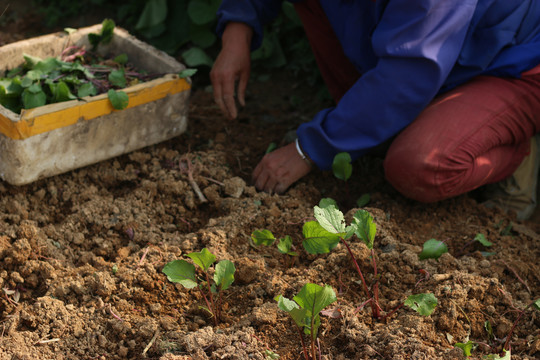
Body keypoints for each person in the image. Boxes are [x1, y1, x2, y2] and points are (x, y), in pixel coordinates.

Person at [210, 0, 540, 220]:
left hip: (510, 63)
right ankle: (371, 124)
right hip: (430, 48)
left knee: (418, 166)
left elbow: (410, 70)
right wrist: (238, 28)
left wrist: (309, 149)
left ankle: (511, 146)